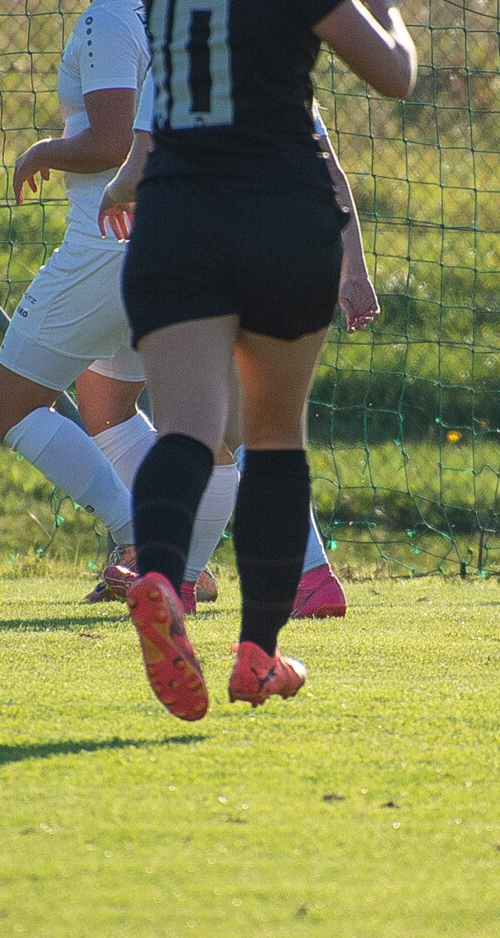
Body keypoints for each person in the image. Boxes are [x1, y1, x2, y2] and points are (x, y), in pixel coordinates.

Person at [114, 0, 415, 720]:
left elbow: (214, 57)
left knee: (187, 430)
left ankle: (160, 574)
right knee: (276, 436)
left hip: (178, 220)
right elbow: (394, 76)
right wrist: (383, 1)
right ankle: (258, 653)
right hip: (283, 221)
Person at [100, 71, 384, 619]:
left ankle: (304, 574)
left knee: (206, 423)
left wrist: (113, 194)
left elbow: (138, 169)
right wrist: (355, 270)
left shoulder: (176, 57)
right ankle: (187, 578)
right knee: (243, 426)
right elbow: (329, 172)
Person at [0, 0, 162, 599]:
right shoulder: (148, 9)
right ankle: (182, 558)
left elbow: (115, 141)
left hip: (104, 246)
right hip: (154, 243)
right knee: (106, 406)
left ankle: (143, 538)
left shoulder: (106, 20)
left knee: (11, 405)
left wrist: (43, 151)